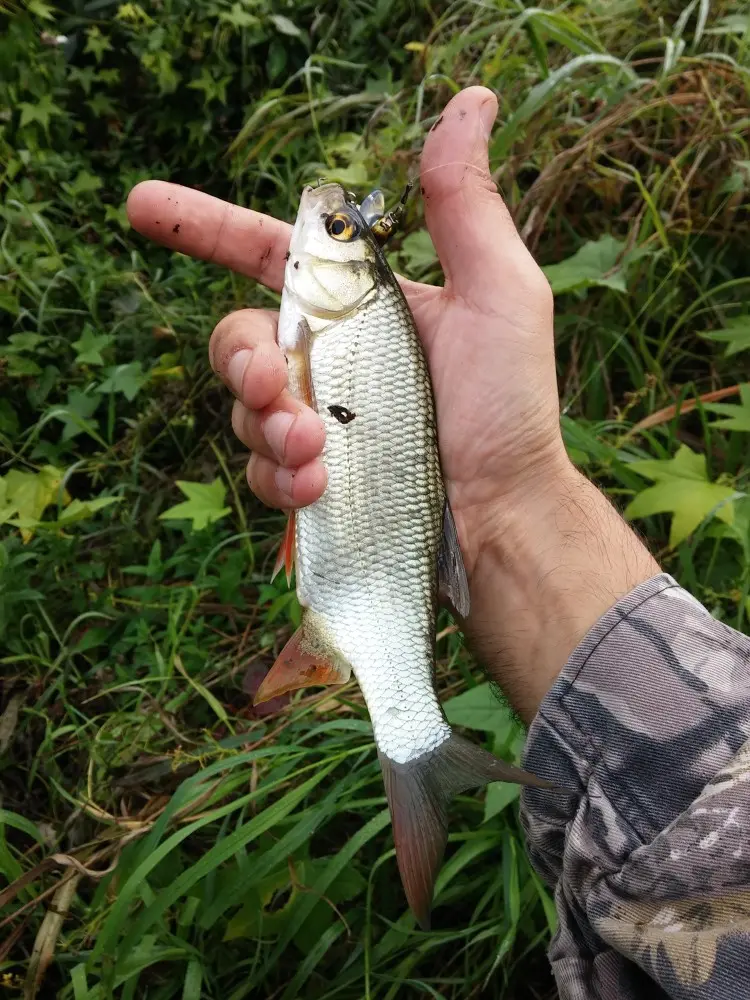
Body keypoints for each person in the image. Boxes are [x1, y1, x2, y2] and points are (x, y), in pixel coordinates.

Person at [127, 86, 750, 1000]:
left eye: (339, 231)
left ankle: (408, 736)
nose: (322, 224)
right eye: (335, 229)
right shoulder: (345, 319)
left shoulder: (355, 318)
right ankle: (406, 729)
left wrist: (509, 494)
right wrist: (516, 507)